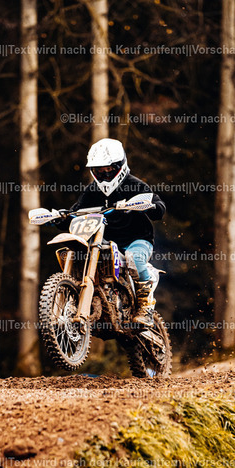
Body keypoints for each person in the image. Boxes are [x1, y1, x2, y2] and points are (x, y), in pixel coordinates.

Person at [63, 138, 166, 327]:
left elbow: (159, 207)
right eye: (99, 171)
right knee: (80, 256)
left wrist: (150, 206)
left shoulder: (134, 185)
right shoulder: (92, 192)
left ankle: (146, 307)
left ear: (119, 166)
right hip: (106, 243)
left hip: (137, 240)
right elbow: (75, 213)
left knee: (134, 258)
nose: (104, 174)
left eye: (108, 169)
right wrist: (62, 218)